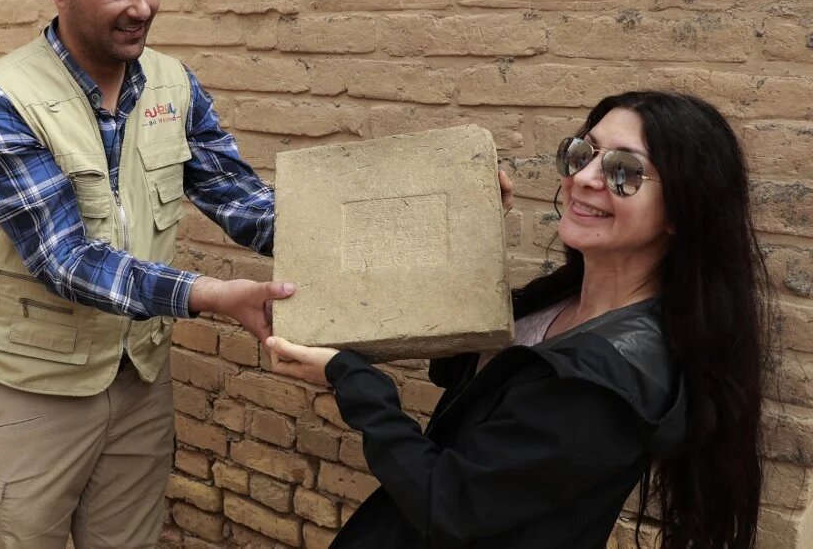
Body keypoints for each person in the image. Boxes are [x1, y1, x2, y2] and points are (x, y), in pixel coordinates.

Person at [267, 91, 771, 548]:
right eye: (582, 153)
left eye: (625, 172)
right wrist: (470, 222)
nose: (584, 178)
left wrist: (350, 380)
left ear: (679, 212)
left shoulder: (606, 382)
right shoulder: (561, 298)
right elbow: (464, 369)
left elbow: (451, 505)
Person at [0, 0, 293, 548]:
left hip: (140, 381)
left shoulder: (172, 83)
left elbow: (239, 198)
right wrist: (210, 295)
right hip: (35, 393)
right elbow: (65, 257)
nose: (141, 7)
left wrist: (417, 204)